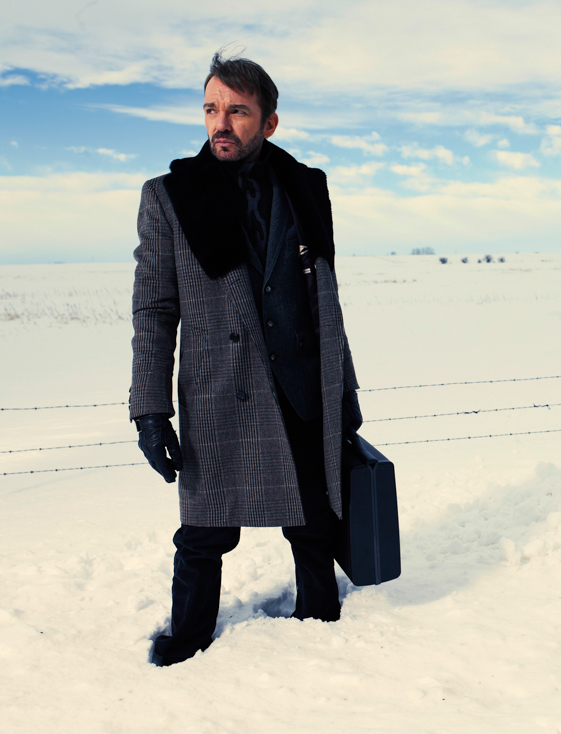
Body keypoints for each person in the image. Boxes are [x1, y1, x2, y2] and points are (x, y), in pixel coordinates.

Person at [130, 51, 362, 666]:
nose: (221, 123)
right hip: (219, 390)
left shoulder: (306, 187)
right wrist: (149, 411)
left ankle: (321, 623)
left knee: (313, 522)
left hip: (300, 380)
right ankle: (187, 642)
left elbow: (326, 301)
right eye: (211, 109)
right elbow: (154, 309)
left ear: (269, 121)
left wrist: (345, 389)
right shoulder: (169, 196)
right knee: (204, 533)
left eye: (237, 111)